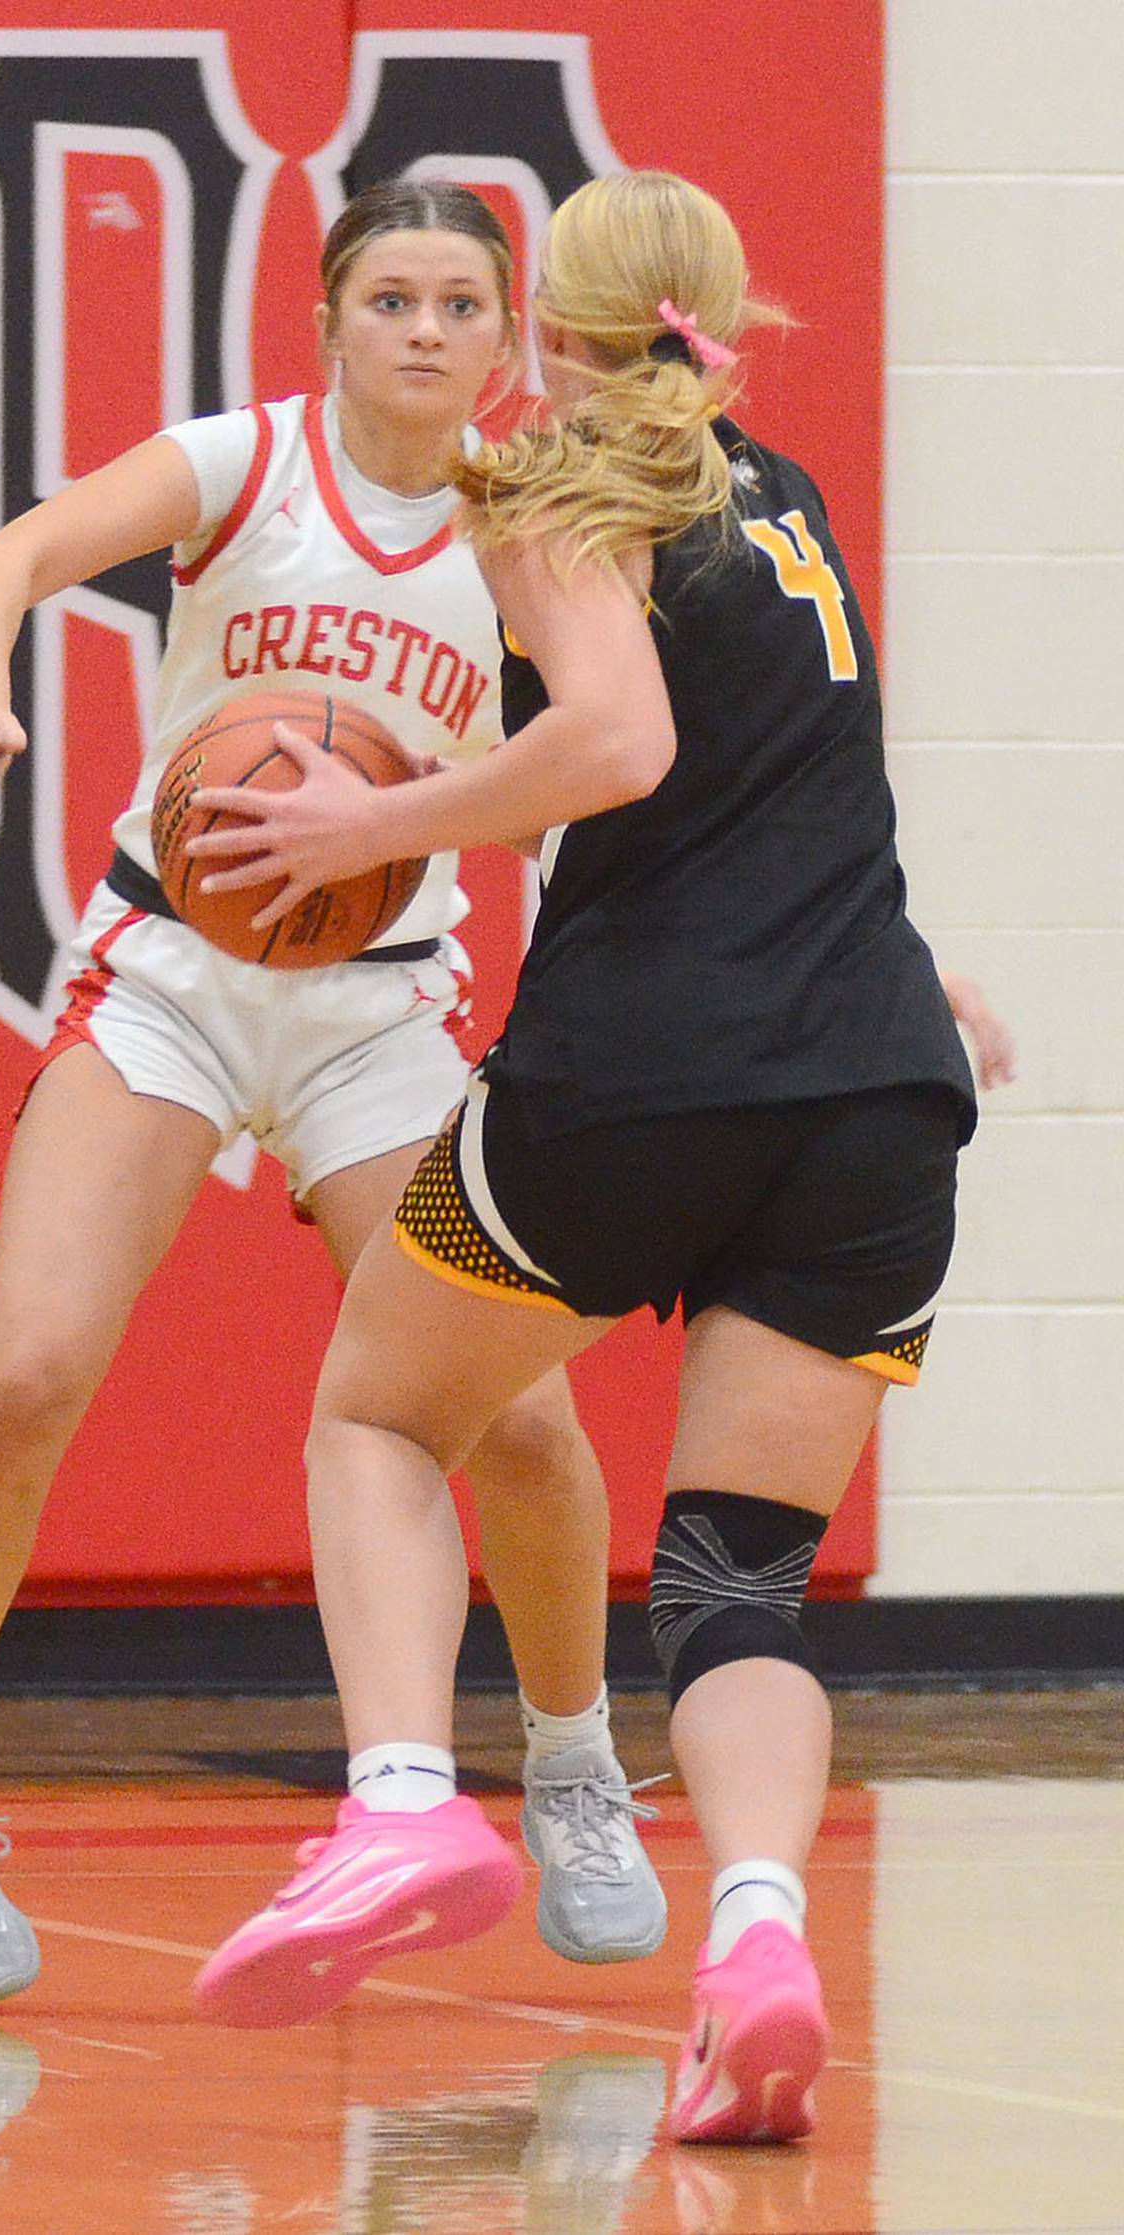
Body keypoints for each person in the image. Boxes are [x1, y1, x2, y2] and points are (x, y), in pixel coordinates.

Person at [185, 169, 994, 2144]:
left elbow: (621, 744)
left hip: (643, 1076)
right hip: (877, 1096)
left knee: (378, 1415)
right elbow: (775, 778)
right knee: (737, 1586)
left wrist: (385, 823)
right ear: (717, 315)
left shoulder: (561, 490)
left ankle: (397, 1806)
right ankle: (759, 1938)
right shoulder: (780, 495)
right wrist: (919, 990)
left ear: (552, 316)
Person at [0, 179, 671, 2013]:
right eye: (394, 296)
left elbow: (635, 748)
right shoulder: (240, 463)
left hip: (382, 1006)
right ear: (330, 316)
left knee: (525, 1425)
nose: (429, 331)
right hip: (174, 977)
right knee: (28, 1376)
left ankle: (573, 1761)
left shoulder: (534, 521)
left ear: (505, 334)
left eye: (466, 302)